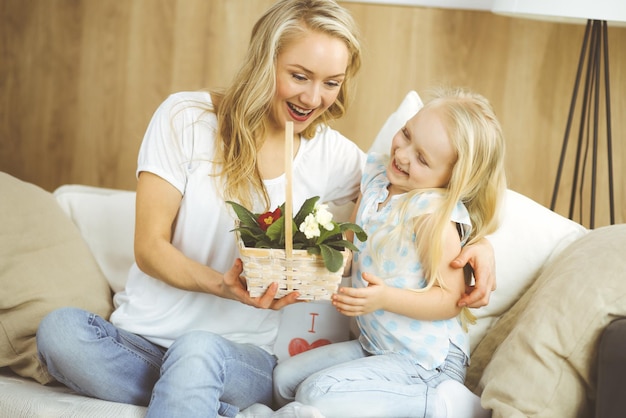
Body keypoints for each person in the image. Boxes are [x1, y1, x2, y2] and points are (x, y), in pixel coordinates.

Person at [36, 1, 495, 417]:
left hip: (236, 356)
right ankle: (193, 398)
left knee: (197, 351)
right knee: (59, 332)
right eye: (299, 76)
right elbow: (149, 248)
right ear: (264, 62)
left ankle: (193, 387)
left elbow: (423, 192)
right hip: (141, 342)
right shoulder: (185, 118)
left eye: (331, 83)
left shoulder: (334, 156)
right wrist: (223, 285)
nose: (314, 99)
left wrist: (479, 244)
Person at [273, 86, 507, 418]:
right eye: (407, 134)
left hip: (427, 364)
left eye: (422, 158)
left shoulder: (432, 216)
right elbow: (351, 246)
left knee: (316, 393)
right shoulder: (375, 180)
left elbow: (449, 300)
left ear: (450, 179)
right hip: (376, 348)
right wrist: (324, 259)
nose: (402, 154)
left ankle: (444, 405)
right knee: (284, 380)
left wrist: (383, 298)